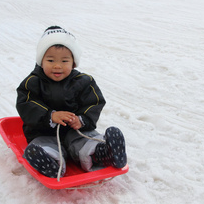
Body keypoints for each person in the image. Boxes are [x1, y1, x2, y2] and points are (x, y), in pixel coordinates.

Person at [16, 26, 127, 178]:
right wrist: (50, 116)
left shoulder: (83, 81)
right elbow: (26, 103)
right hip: (44, 132)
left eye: (64, 60)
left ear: (74, 62)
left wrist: (82, 120)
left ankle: (103, 153)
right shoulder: (33, 82)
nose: (57, 65)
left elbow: (94, 103)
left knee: (85, 142)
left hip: (75, 131)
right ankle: (51, 163)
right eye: (50, 60)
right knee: (44, 146)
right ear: (41, 61)